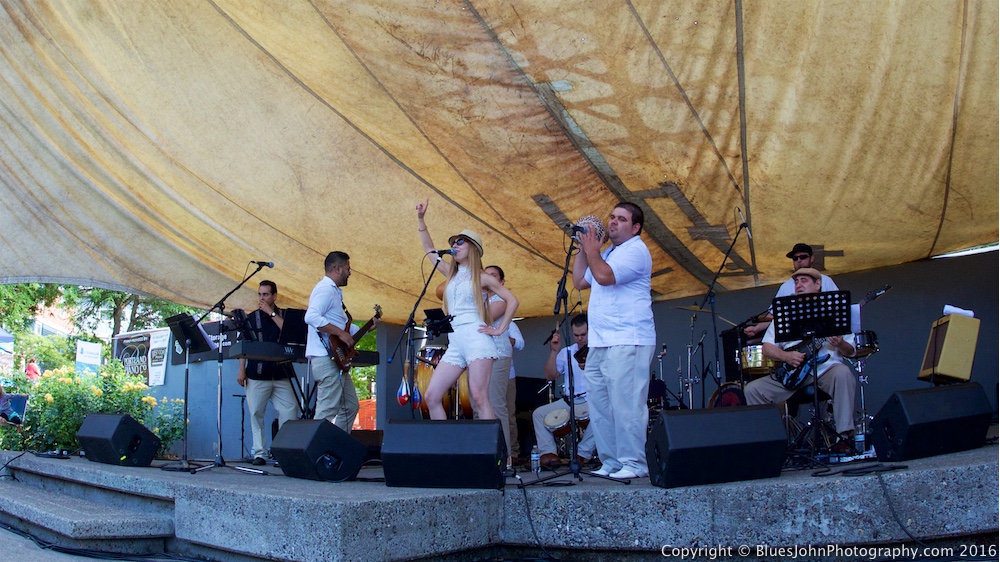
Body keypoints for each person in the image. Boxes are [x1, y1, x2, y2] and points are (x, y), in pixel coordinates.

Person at [415, 199, 518, 426]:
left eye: (461, 241)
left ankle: (491, 457)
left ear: (473, 248)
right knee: (431, 396)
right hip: (456, 340)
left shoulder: (482, 277)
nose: (456, 245)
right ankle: (445, 452)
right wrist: (421, 220)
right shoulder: (450, 273)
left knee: (480, 397)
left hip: (476, 337)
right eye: (454, 242)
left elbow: (512, 300)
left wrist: (500, 328)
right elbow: (429, 250)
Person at [572, 202, 656, 479]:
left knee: (627, 405)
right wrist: (582, 248)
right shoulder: (608, 251)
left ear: (635, 227)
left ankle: (634, 463)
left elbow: (604, 277)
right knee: (601, 405)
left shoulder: (636, 251)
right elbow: (579, 282)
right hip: (601, 342)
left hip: (627, 339)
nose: (613, 222)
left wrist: (592, 250)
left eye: (621, 219)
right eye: (612, 217)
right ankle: (611, 461)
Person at [744, 267, 857, 453]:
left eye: (804, 280)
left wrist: (840, 343)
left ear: (818, 284)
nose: (799, 285)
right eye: (796, 282)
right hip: (793, 373)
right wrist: (786, 356)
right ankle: (769, 444)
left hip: (826, 369)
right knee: (752, 390)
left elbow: (850, 350)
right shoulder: (785, 312)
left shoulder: (833, 309)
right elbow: (767, 347)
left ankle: (844, 437)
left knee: (843, 373)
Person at [305, 251, 372, 433]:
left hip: (335, 361)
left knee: (350, 406)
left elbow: (342, 327)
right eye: (348, 268)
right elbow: (310, 316)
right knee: (326, 411)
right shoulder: (325, 289)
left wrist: (368, 327)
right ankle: (316, 455)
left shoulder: (334, 292)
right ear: (337, 269)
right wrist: (340, 334)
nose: (350, 272)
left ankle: (335, 448)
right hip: (326, 358)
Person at [236, 281, 300, 465]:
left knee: (290, 410)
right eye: (259, 294)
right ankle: (260, 453)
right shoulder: (251, 318)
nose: (261, 298)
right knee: (256, 413)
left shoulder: (283, 315)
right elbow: (244, 345)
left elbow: (290, 334)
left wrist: (271, 314)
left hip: (282, 373)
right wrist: (241, 369)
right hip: (257, 373)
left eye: (265, 294)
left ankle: (284, 452)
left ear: (274, 296)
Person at [532, 313, 597, 469]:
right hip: (569, 400)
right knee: (538, 414)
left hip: (591, 399)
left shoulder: (599, 350)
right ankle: (549, 453)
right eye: (576, 335)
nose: (580, 338)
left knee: (603, 413)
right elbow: (550, 376)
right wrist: (554, 351)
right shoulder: (567, 352)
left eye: (583, 334)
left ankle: (582, 454)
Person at [745, 243, 839, 338]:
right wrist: (756, 328)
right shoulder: (785, 287)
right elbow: (773, 316)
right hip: (798, 339)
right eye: (795, 258)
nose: (799, 260)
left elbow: (840, 308)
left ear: (812, 258)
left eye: (803, 257)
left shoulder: (826, 281)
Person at [505, 320, 525, 464]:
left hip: (507, 376)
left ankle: (513, 453)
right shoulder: (480, 321)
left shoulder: (509, 324)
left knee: (508, 415)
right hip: (485, 375)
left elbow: (521, 344)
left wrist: (506, 339)